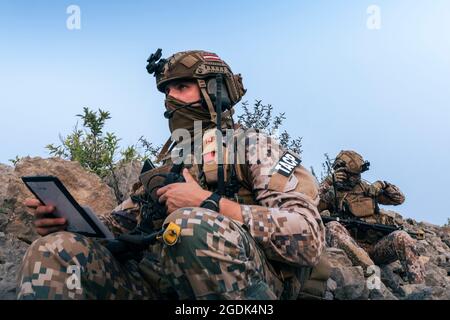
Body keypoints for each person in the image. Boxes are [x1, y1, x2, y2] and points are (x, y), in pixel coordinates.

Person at [17, 49, 325, 300]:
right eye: (166, 90)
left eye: (181, 87)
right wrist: (70, 221)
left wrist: (210, 203)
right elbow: (119, 224)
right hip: (163, 281)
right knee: (54, 250)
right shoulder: (171, 160)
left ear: (213, 90)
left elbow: (309, 235)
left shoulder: (255, 147)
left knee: (189, 224)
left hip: (251, 282)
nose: (169, 99)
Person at [318, 150, 425, 284]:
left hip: (377, 248)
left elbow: (399, 199)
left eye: (358, 175)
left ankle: (419, 287)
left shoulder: (367, 189)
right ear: (341, 173)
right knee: (333, 226)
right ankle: (372, 274)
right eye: (352, 175)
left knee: (402, 236)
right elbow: (311, 205)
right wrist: (327, 183)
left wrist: (383, 184)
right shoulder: (332, 193)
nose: (356, 178)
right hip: (351, 250)